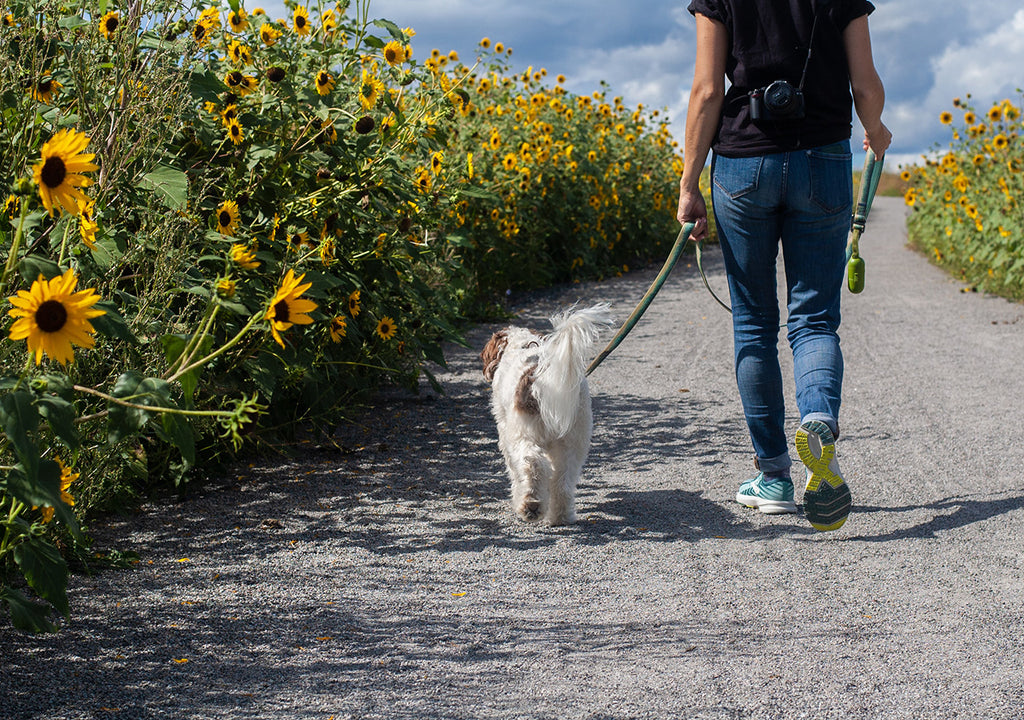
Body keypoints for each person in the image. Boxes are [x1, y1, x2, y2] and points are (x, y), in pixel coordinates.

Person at [677, 0, 892, 531]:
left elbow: (707, 90)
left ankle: (773, 478)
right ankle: (818, 418)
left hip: (743, 161)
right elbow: (864, 82)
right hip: (823, 157)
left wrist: (689, 182)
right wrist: (876, 128)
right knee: (815, 319)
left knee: (753, 323)